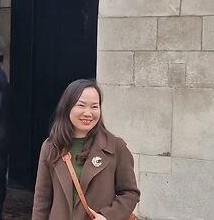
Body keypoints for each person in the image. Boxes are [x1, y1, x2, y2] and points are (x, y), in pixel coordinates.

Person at [32, 79, 140, 220]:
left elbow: (130, 193)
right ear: (67, 107)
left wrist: (108, 216)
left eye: (94, 107)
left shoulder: (115, 147)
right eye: (81, 105)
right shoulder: (51, 146)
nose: (88, 113)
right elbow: (42, 200)